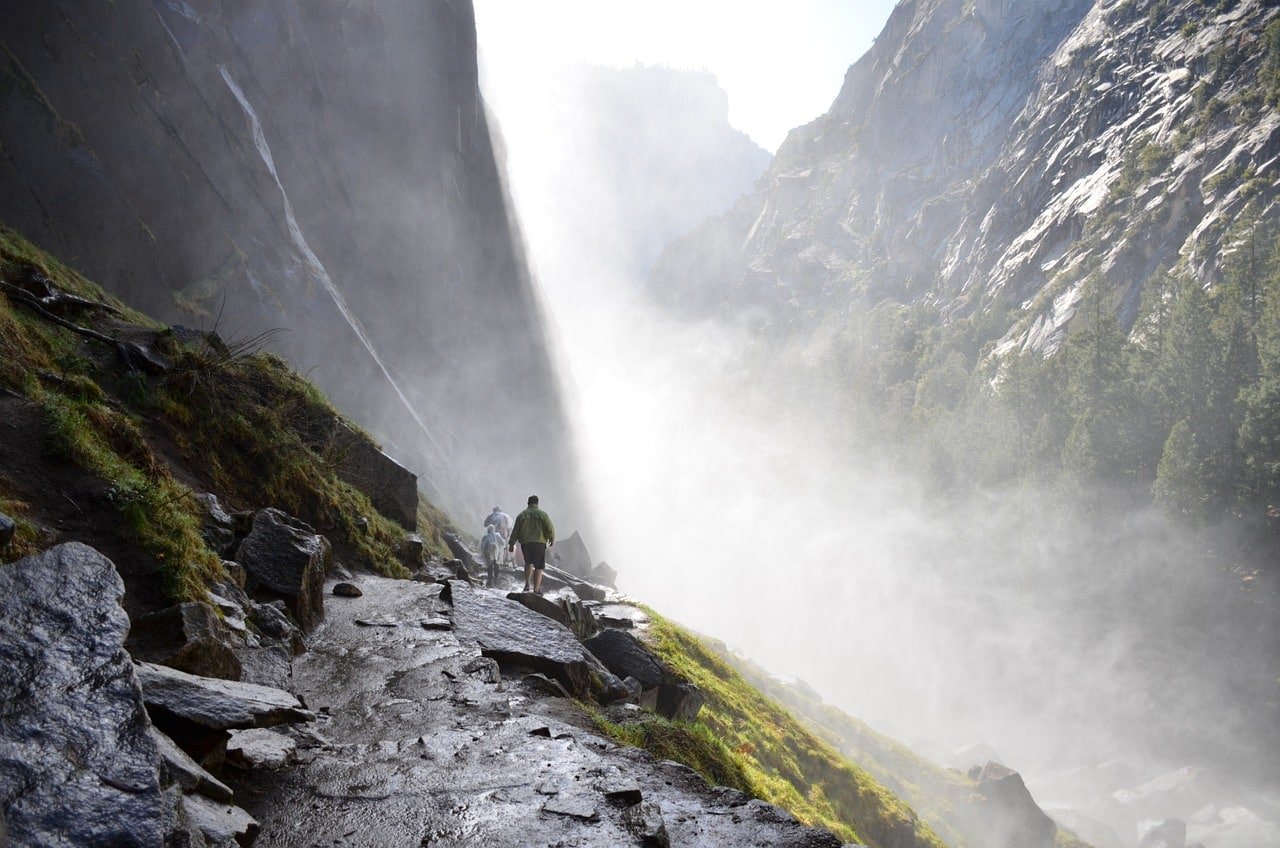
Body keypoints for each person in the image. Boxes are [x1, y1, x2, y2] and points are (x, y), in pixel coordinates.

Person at [508, 495, 554, 594]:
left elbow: (515, 530)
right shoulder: (543, 515)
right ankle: (536, 589)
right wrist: (551, 538)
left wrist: (511, 544)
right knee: (539, 566)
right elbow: (550, 528)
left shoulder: (522, 515)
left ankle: (527, 584)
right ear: (537, 503)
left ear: (528, 503)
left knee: (528, 563)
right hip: (539, 542)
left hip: (526, 543)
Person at [479, 524, 505, 588]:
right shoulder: (497, 535)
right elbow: (502, 543)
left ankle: (490, 578)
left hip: (487, 551)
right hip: (496, 551)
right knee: (496, 564)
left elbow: (482, 546)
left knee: (489, 565)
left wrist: (483, 553)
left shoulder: (485, 536)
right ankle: (496, 578)